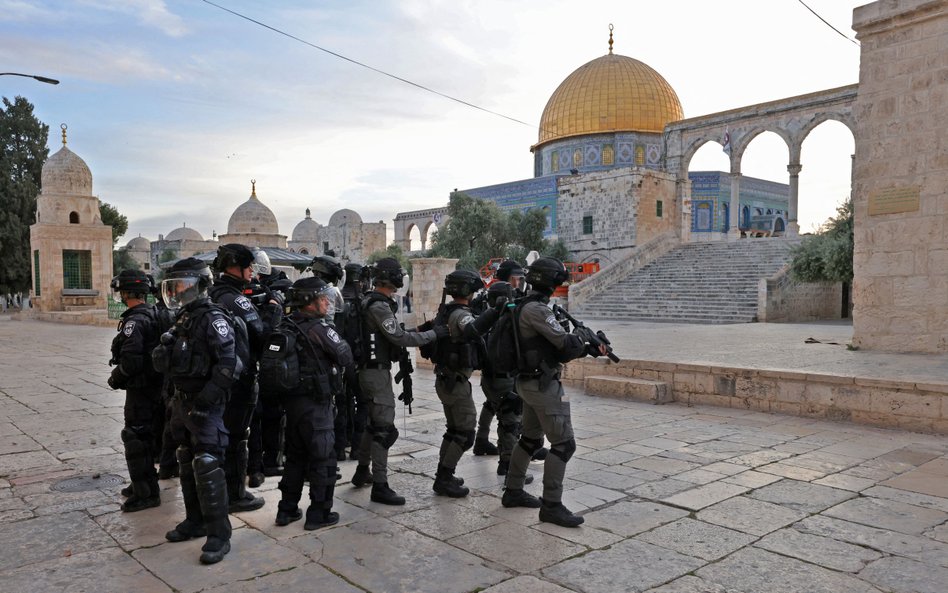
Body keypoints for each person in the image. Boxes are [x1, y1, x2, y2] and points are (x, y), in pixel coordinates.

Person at [500, 257, 606, 528]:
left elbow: (555, 346)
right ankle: (552, 505)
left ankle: (513, 491)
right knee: (564, 444)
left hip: (529, 383)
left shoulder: (527, 305)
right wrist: (583, 338)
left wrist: (588, 347)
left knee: (530, 440)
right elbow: (565, 343)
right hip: (543, 386)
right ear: (551, 282)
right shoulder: (538, 310)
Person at [153, 258, 236, 564]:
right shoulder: (183, 319)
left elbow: (229, 365)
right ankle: (195, 521)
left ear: (201, 286)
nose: (177, 292)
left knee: (207, 463)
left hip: (205, 403)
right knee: (186, 460)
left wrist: (207, 400)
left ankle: (218, 535)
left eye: (183, 286)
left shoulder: (214, 319)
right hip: (181, 401)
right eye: (174, 287)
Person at [351, 257, 447, 505]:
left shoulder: (374, 302)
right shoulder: (379, 306)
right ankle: (380, 486)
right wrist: (433, 334)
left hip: (370, 370)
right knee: (385, 429)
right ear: (389, 278)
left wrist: (421, 329)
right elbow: (399, 338)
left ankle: (362, 471)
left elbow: (394, 333)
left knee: (373, 425)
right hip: (375, 373)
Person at [275, 277, 354, 529]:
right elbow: (345, 355)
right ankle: (319, 513)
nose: (326, 303)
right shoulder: (319, 329)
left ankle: (286, 510)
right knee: (323, 459)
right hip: (316, 405)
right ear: (309, 303)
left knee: (295, 458)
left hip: (292, 405)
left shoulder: (285, 325)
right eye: (322, 298)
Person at [209, 243, 282, 513]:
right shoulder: (236, 299)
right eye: (249, 266)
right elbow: (261, 335)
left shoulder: (213, 293)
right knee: (237, 437)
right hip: (239, 379)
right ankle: (235, 493)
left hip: (218, 378)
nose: (252, 272)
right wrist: (274, 309)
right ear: (235, 268)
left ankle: (219, 492)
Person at [429, 269, 504, 497]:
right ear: (467, 290)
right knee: (465, 434)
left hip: (447, 380)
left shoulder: (447, 310)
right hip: (455, 382)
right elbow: (472, 329)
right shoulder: (460, 314)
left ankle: (444, 474)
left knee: (453, 431)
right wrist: (495, 312)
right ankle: (444, 478)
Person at [475, 259, 549, 462]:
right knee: (511, 411)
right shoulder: (503, 300)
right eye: (516, 279)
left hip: (493, 363)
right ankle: (512, 457)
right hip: (502, 363)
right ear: (508, 278)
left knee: (494, 404)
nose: (519, 283)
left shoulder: (491, 296)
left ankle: (483, 439)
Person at [108, 269, 164, 512]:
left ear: (125, 292)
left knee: (135, 438)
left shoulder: (135, 321)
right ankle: (141, 483)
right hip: (157, 388)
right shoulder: (153, 313)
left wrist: (115, 377)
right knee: (147, 438)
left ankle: (146, 494)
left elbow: (131, 362)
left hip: (141, 390)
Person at [247, 248, 288, 486]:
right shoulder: (250, 299)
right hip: (257, 364)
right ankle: (260, 465)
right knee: (260, 417)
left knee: (265, 416)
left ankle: (263, 464)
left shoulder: (268, 294)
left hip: (264, 366)